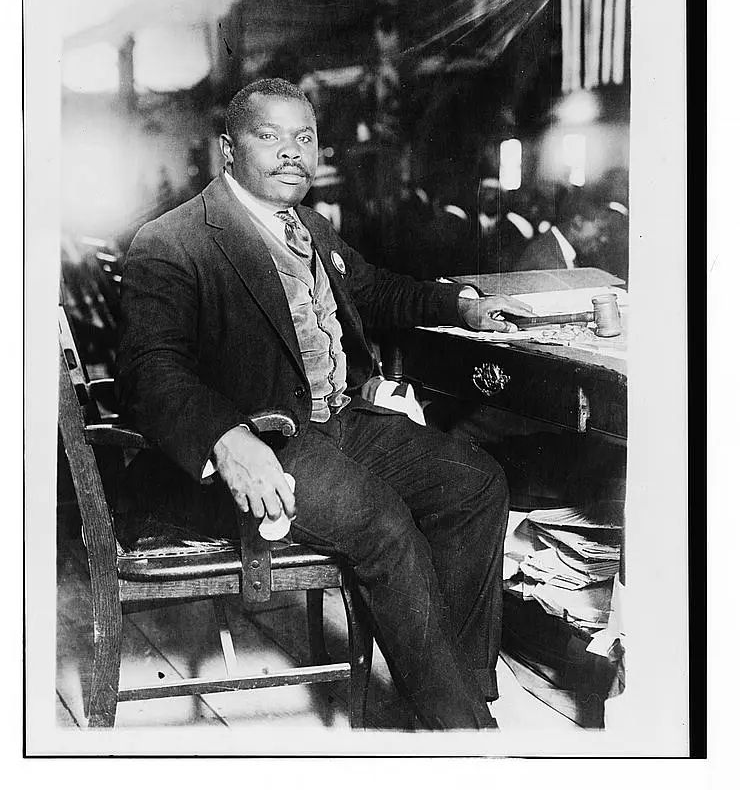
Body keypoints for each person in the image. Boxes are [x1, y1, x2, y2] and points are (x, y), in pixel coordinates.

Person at [117, 77, 533, 731]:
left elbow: (377, 290)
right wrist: (227, 438)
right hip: (266, 441)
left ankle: (457, 686)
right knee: (386, 529)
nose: (292, 152)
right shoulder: (172, 241)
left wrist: (462, 304)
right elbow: (149, 370)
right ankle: (462, 735)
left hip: (337, 422)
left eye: (304, 138)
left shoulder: (306, 227)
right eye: (270, 136)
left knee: (475, 484)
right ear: (228, 150)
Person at [513, 190, 609, 271]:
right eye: (600, 228)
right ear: (578, 222)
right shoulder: (547, 260)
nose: (604, 238)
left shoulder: (557, 249)